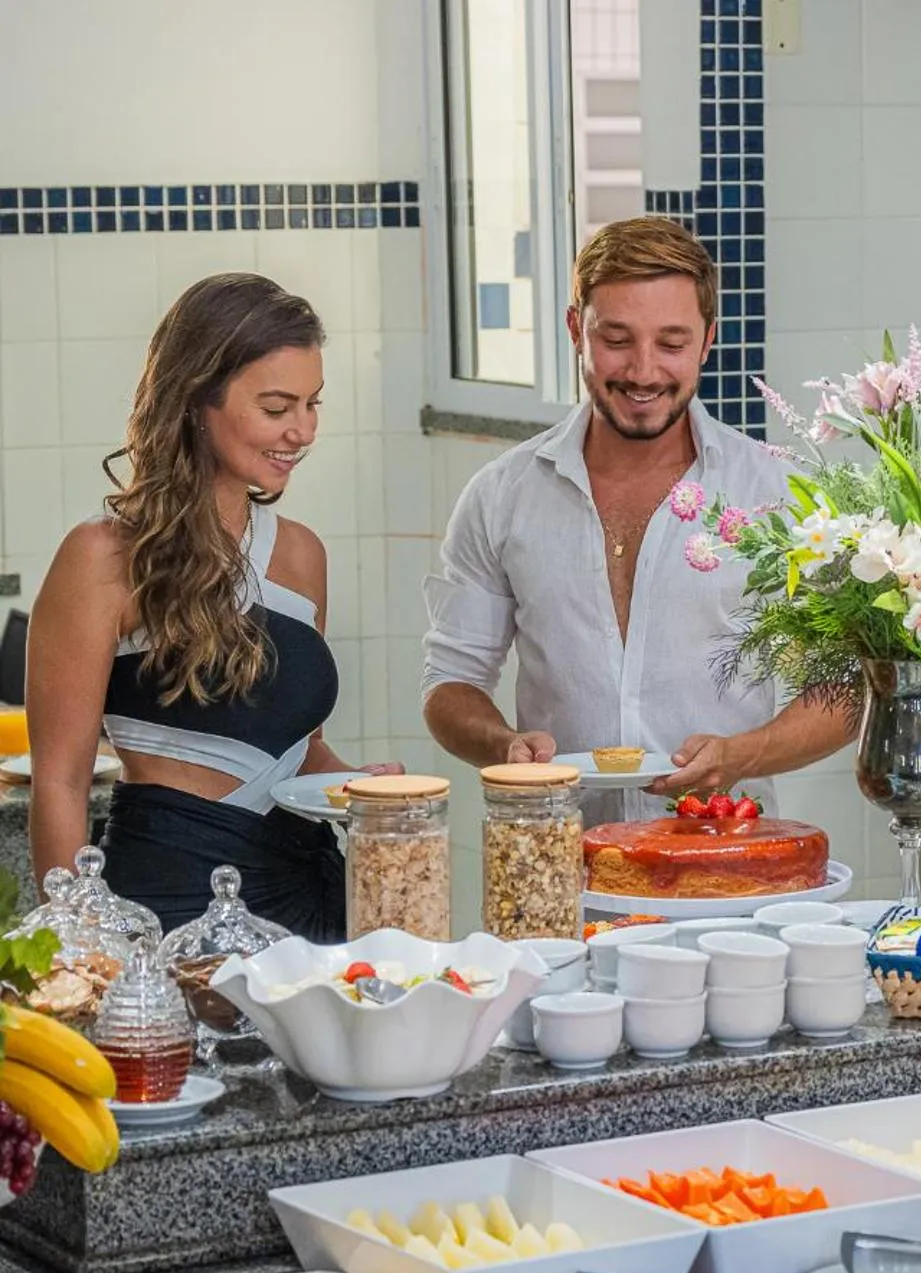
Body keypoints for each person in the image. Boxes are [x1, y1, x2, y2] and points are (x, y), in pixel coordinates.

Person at [423, 217, 854, 819]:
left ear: (707, 340)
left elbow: (841, 692)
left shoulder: (779, 496)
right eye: (617, 340)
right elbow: (451, 682)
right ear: (576, 329)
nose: (644, 371)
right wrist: (504, 745)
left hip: (726, 858)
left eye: (672, 344)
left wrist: (743, 755)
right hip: (557, 867)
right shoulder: (501, 496)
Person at [27, 274, 400, 941]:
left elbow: (295, 749)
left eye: (313, 404)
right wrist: (81, 948)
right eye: (278, 406)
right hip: (165, 908)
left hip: (314, 899)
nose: (303, 431)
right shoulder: (102, 558)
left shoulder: (302, 555)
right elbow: (60, 783)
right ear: (199, 399)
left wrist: (361, 788)